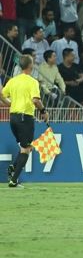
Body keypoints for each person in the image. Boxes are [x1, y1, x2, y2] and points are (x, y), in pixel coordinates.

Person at [2, 54, 48, 189]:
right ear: (31, 65)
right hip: (25, 118)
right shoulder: (32, 82)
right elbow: (35, 100)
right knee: (26, 149)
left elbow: (2, 95)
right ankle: (14, 180)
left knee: (24, 147)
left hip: (13, 118)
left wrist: (10, 104)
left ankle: (13, 168)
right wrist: (43, 111)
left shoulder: (12, 81)